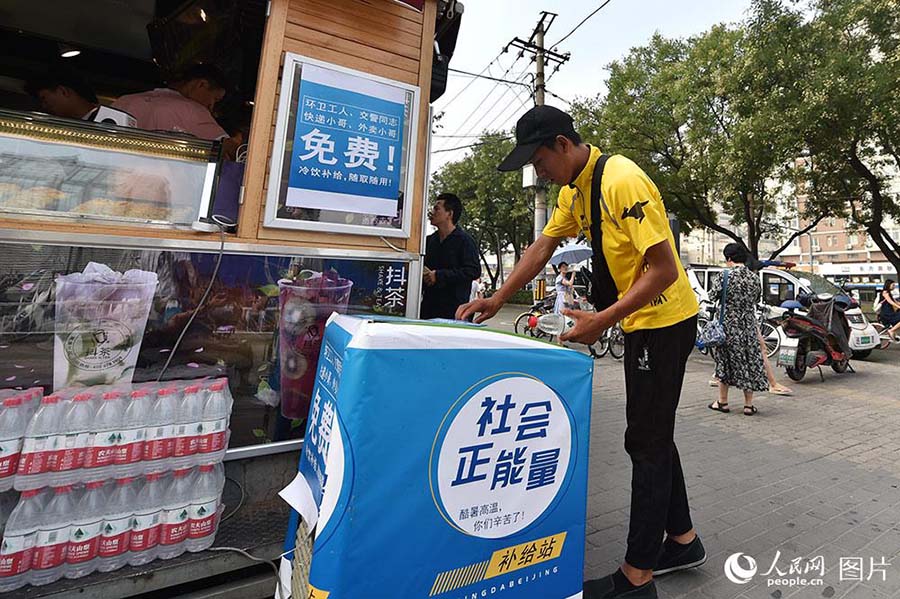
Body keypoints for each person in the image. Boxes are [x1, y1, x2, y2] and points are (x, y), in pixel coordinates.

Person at [457, 105, 702, 599]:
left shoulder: (621, 180)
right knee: (650, 434)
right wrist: (498, 297)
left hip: (665, 321)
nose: (538, 172)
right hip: (639, 322)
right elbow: (541, 248)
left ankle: (638, 577)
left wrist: (601, 322)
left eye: (539, 160)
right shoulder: (575, 191)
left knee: (646, 442)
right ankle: (683, 540)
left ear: (563, 145)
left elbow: (664, 269)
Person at [707, 243, 769, 416]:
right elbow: (756, 299)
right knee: (748, 363)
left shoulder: (724, 276)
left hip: (728, 327)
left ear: (728, 259)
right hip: (748, 326)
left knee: (724, 363)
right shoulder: (754, 278)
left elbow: (712, 296)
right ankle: (748, 405)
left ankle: (723, 402)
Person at [112, 63, 230, 142]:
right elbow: (227, 149)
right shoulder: (195, 111)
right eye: (215, 99)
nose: (212, 106)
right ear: (201, 84)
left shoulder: (124, 100)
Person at [420, 193, 480, 320]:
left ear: (449, 214)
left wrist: (439, 275)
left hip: (454, 312)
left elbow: (473, 271)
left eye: (437, 209)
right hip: (428, 310)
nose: (432, 212)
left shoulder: (465, 241)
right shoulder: (428, 241)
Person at [24, 68, 135, 125]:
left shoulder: (109, 121)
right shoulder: (81, 123)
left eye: (44, 99)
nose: (44, 106)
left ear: (63, 91)